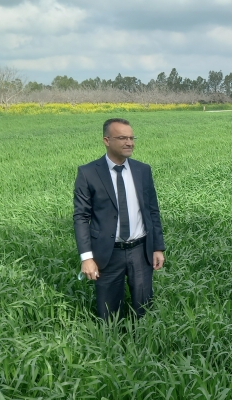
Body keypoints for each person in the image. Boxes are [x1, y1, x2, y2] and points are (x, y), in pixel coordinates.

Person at [73, 118, 165, 320]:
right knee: (108, 314)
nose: (129, 142)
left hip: (141, 252)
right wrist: (87, 258)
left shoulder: (143, 170)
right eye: (122, 138)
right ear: (106, 140)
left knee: (145, 311)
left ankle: (143, 345)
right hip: (108, 254)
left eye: (132, 138)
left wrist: (157, 247)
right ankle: (110, 349)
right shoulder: (88, 173)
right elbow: (81, 217)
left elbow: (152, 211)